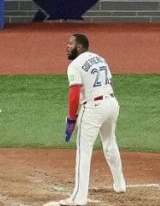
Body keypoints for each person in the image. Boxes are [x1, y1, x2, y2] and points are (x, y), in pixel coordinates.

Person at [48, 33, 126, 206]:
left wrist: (71, 119)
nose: (67, 46)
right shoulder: (100, 58)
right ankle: (120, 184)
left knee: (84, 152)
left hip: (93, 108)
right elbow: (109, 82)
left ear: (80, 47)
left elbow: (74, 95)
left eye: (70, 44)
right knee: (110, 142)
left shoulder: (75, 65)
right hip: (112, 103)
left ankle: (78, 198)